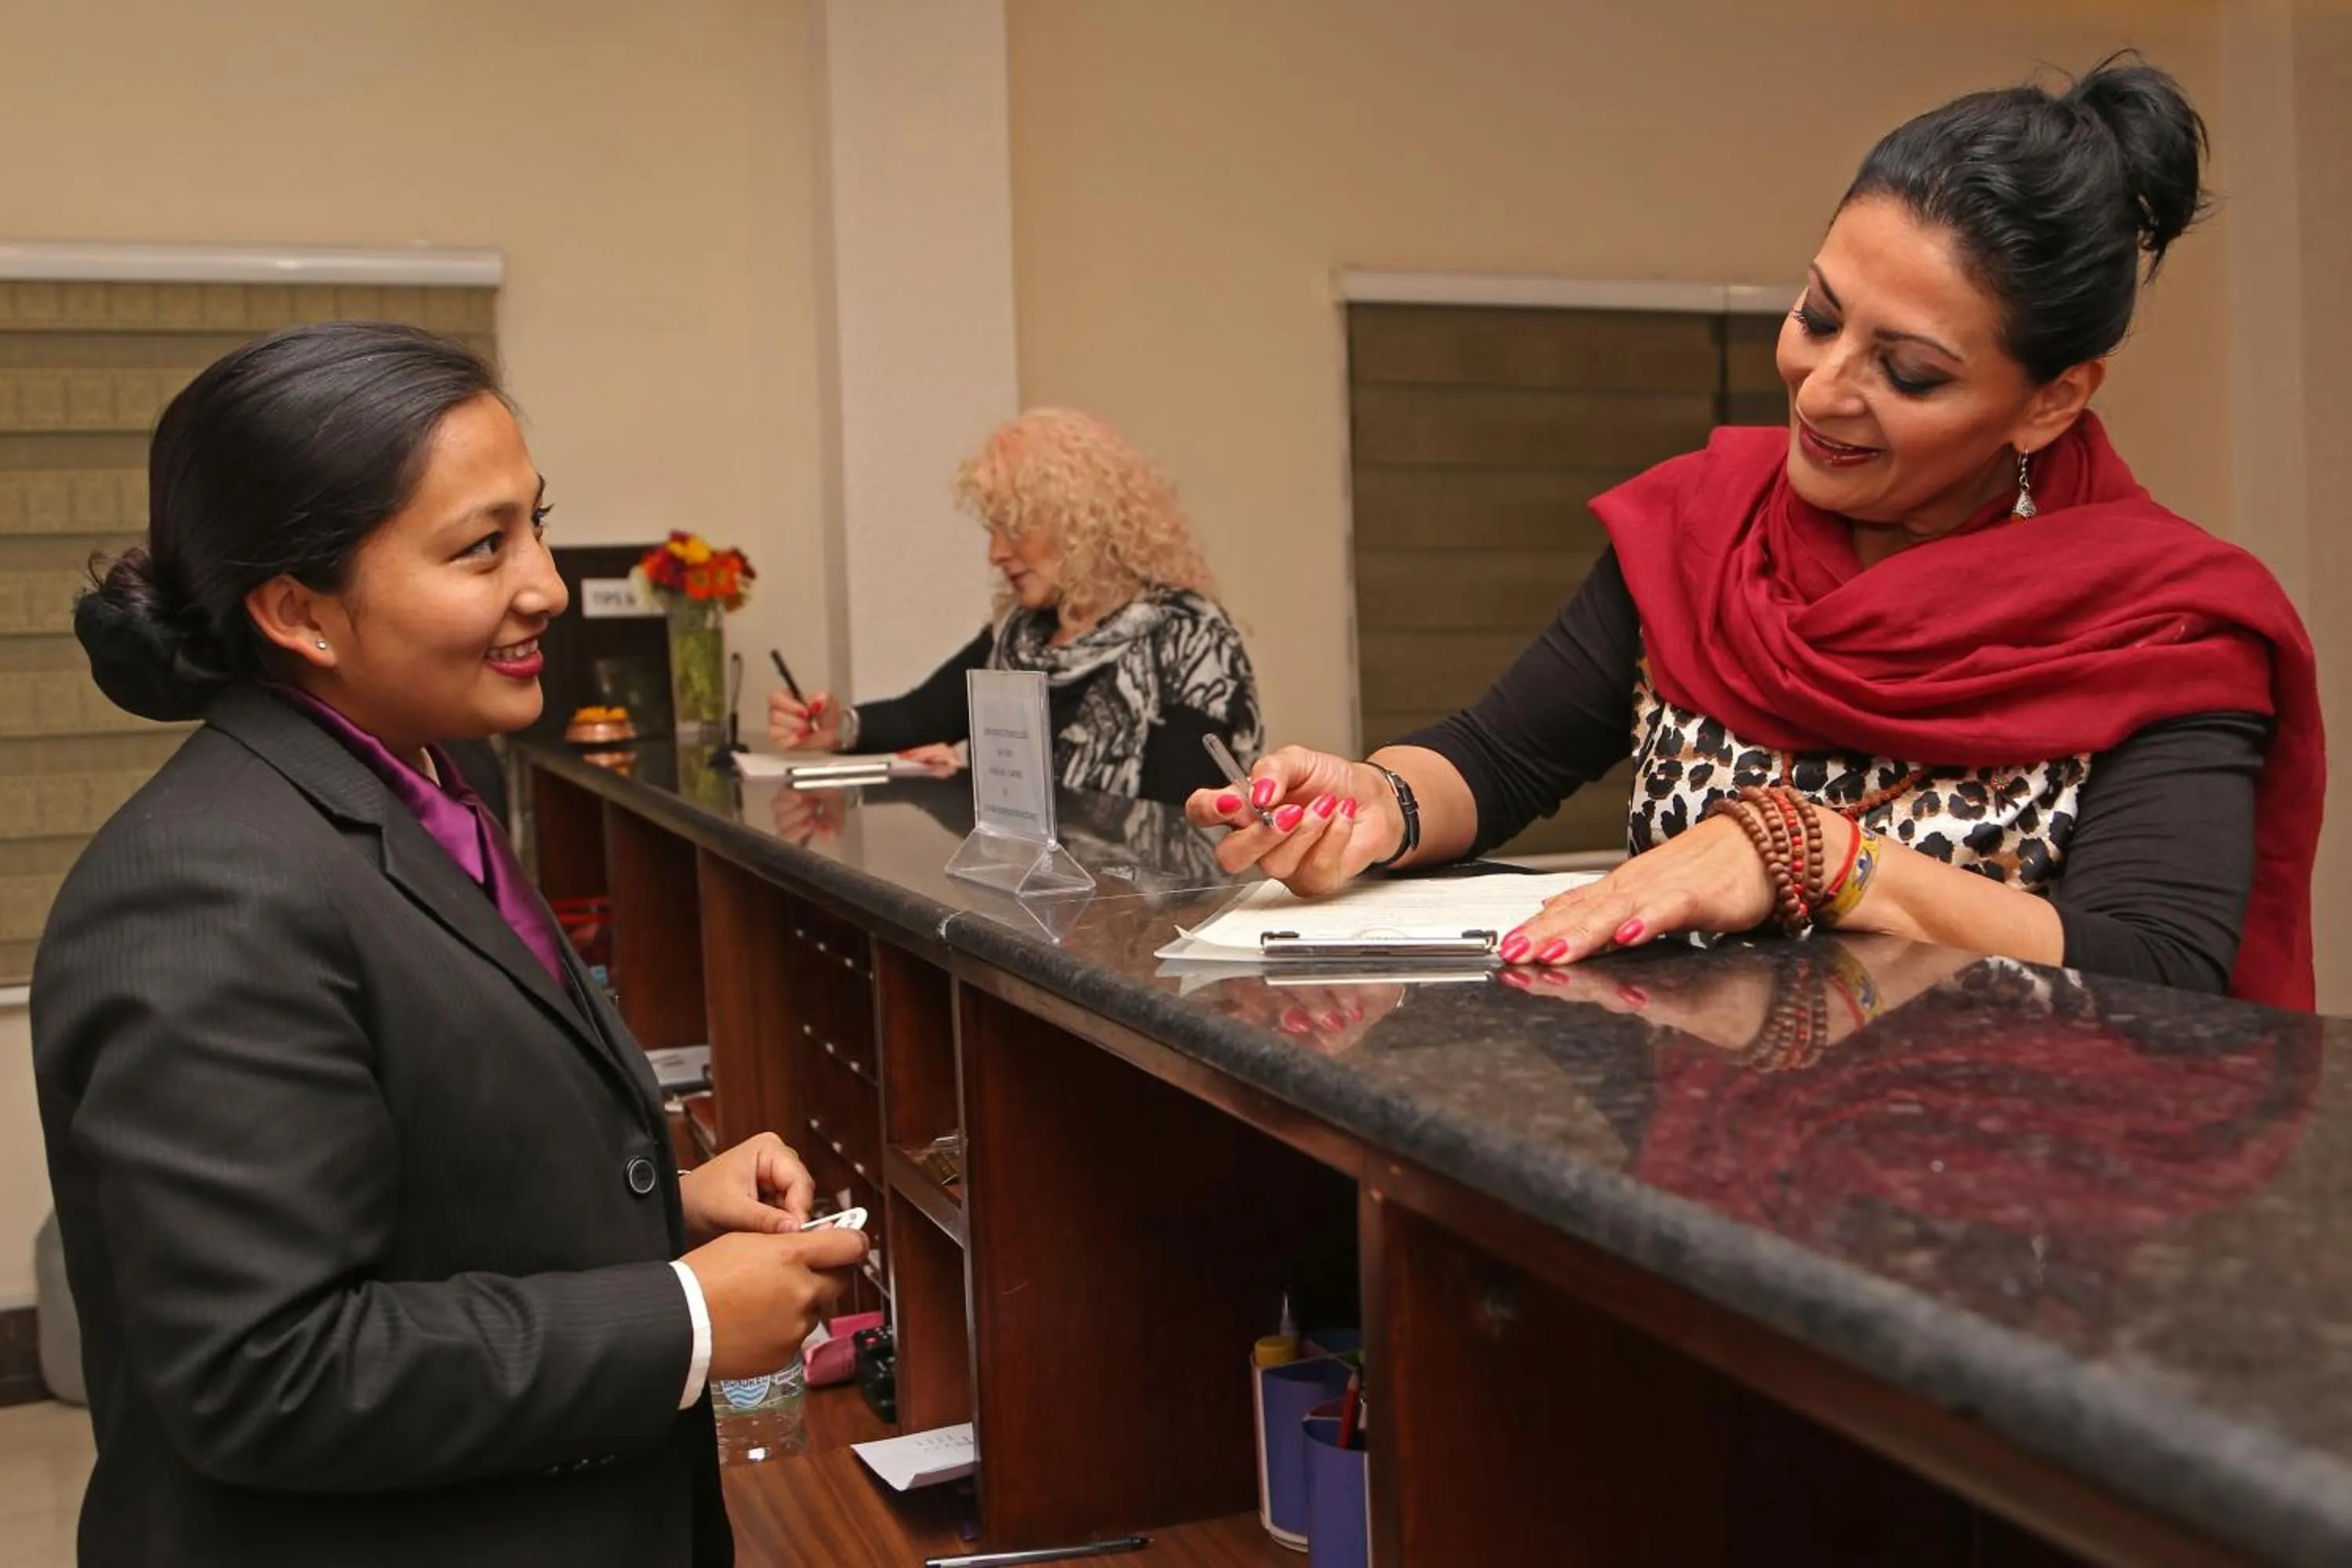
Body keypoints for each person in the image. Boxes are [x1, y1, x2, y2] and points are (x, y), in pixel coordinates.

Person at [1190, 56, 2323, 1008]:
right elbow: (1500, 759)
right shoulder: (1704, 526)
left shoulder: (2164, 626)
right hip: (1678, 1152)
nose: (1822, 389)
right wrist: (1375, 805)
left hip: (1999, 1185)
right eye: (1818, 317)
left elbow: (2159, 971)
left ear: (2052, 401)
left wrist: (1821, 858)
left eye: (1907, 371)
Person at [33, 321, 866, 1567]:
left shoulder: (422, 781)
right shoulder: (199, 890)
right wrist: (683, 1317)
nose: (549, 587)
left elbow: (415, 1151)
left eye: (537, 524)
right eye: (484, 547)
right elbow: (266, 1371)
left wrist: (658, 1205)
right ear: (299, 613)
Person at [769, 407, 1262, 805]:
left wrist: (971, 787)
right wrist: (838, 729)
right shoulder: (1023, 634)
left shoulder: (1187, 637)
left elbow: (1176, 821)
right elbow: (919, 716)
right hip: (1033, 893)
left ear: (1078, 522)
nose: (997, 554)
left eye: (1016, 528)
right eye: (993, 530)